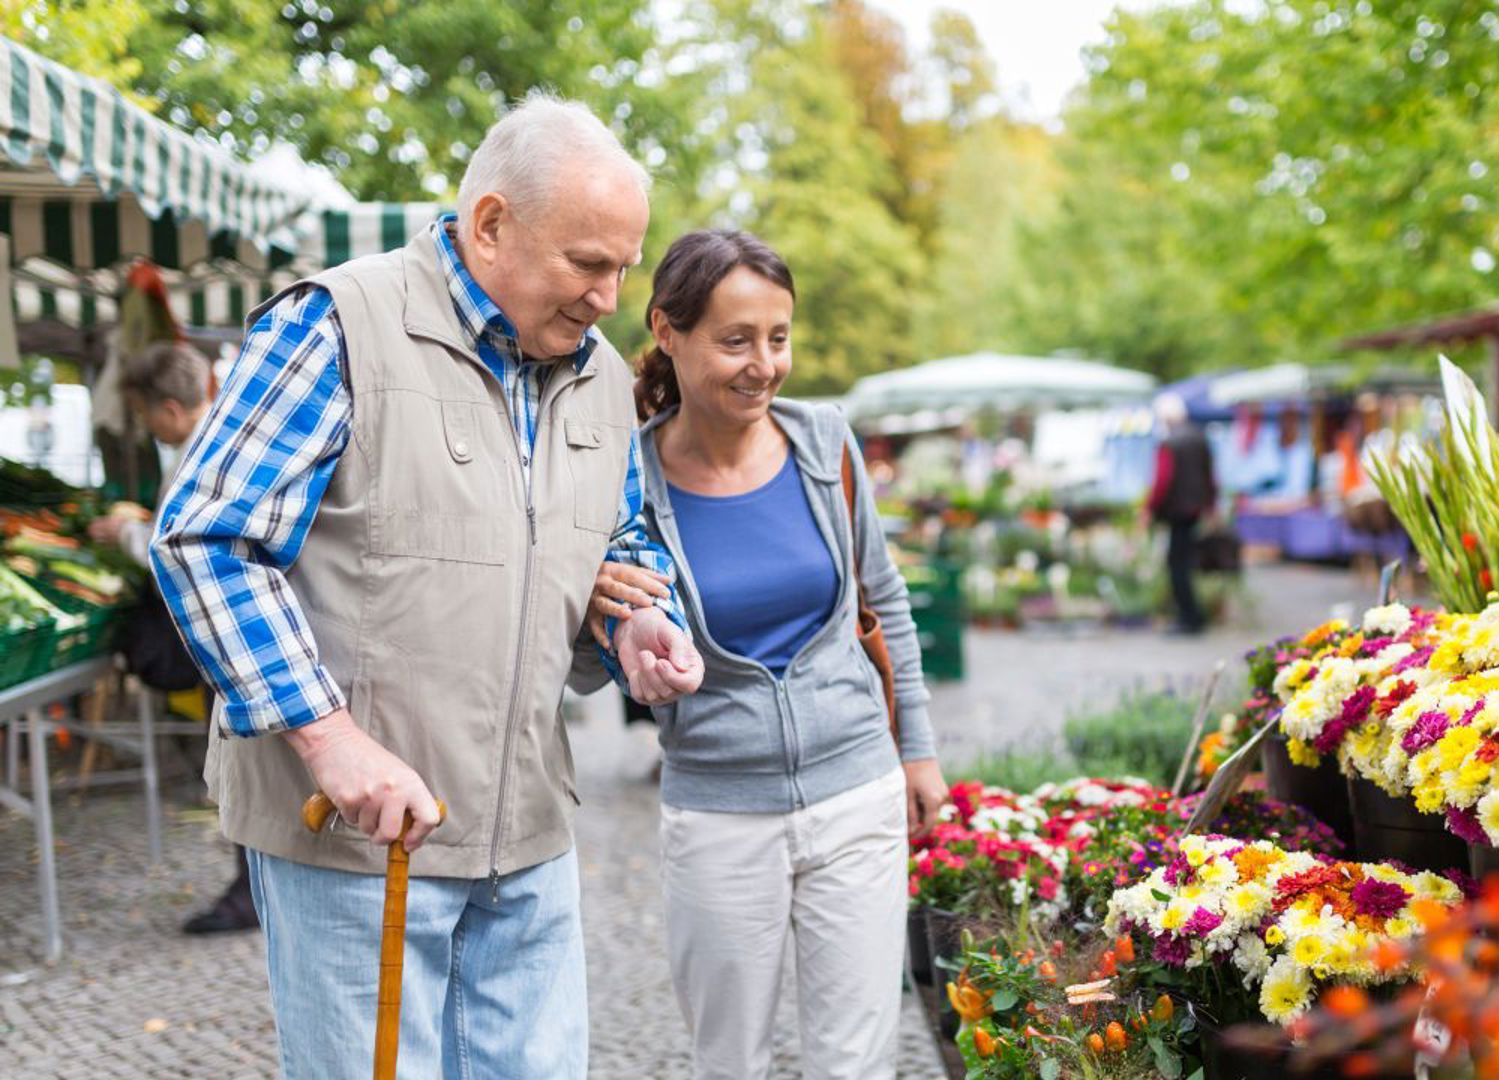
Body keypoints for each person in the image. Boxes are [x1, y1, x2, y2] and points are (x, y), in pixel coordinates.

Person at [151, 94, 702, 1078]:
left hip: (530, 829)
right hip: (359, 844)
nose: (610, 297)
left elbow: (620, 535)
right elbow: (206, 537)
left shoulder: (602, 376)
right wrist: (331, 740)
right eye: (588, 263)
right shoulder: (337, 326)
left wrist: (638, 620)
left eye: (624, 266)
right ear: (491, 223)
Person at [591, 229, 948, 1080]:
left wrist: (919, 753)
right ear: (668, 333)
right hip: (718, 813)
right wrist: (617, 639)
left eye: (778, 338)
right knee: (730, 1062)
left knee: (856, 1060)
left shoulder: (826, 443)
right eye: (735, 340)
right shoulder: (624, 480)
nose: (763, 364)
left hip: (857, 793)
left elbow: (883, 599)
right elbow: (595, 639)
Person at [91, 342, 258, 934]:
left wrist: (126, 535)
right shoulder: (220, 438)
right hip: (236, 640)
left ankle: (252, 896)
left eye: (143, 415)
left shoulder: (201, 453)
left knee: (245, 774)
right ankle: (255, 891)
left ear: (167, 407)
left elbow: (183, 550)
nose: (144, 427)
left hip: (229, 643)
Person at [1144, 392, 1218, 634]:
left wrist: (1149, 509)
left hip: (1176, 511)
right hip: (1195, 509)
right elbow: (1211, 477)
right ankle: (1192, 615)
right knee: (1186, 564)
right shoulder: (1199, 438)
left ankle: (1189, 618)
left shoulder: (1169, 442)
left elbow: (1162, 481)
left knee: (1177, 566)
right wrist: (1211, 506)